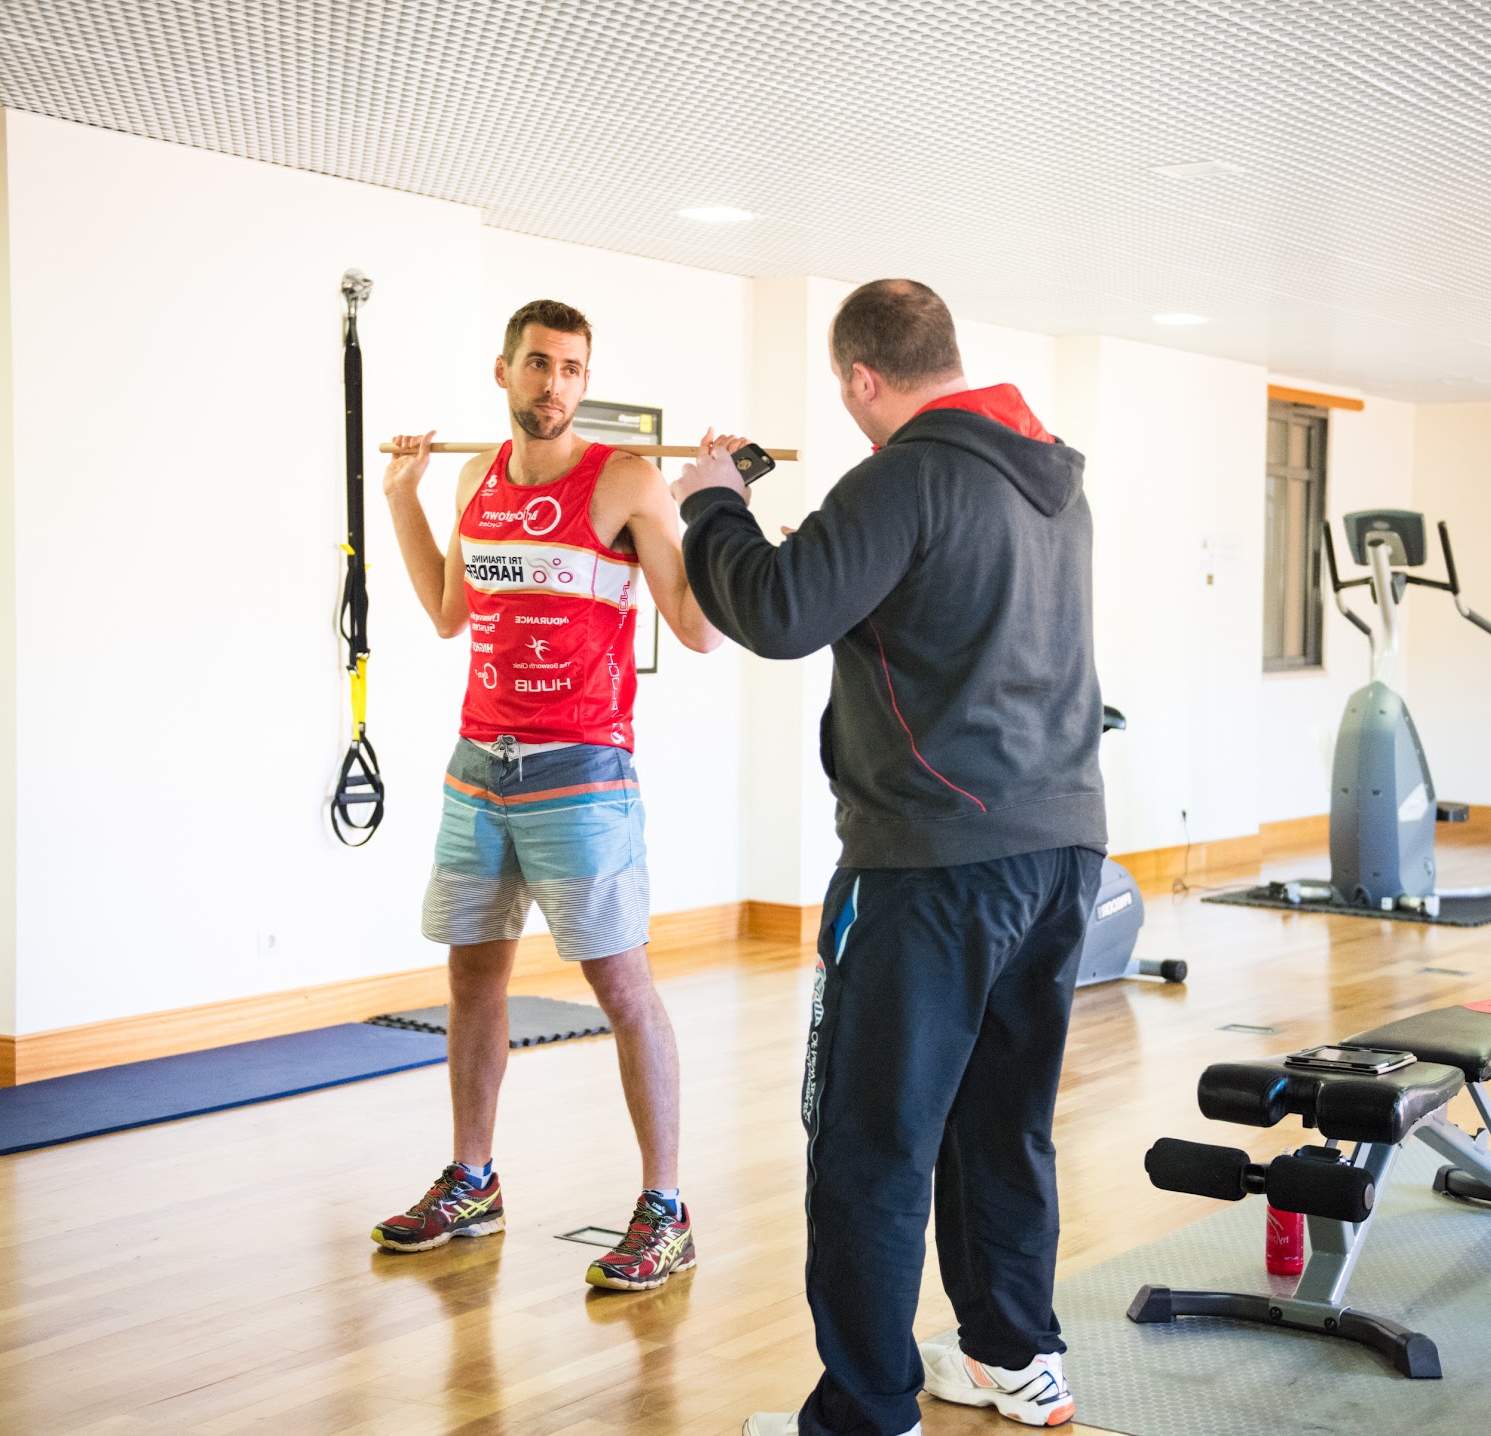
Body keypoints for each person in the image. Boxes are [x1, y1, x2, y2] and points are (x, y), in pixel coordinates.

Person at [674, 279, 1106, 1435]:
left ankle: (867, 1411)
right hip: (1060, 851)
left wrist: (711, 504)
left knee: (870, 1141)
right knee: (999, 1122)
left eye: (843, 388)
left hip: (930, 866)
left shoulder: (906, 474)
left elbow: (776, 610)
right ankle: (1013, 1355)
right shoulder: (1051, 482)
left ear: (863, 377)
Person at [370, 298, 725, 1293]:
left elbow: (699, 629)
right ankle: (471, 1182)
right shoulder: (476, 476)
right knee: (472, 982)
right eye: (538, 364)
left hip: (582, 772)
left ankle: (665, 1210)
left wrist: (717, 505)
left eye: (571, 369)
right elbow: (450, 611)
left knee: (622, 989)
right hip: (478, 767)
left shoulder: (624, 479)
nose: (554, 385)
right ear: (504, 371)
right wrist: (401, 498)